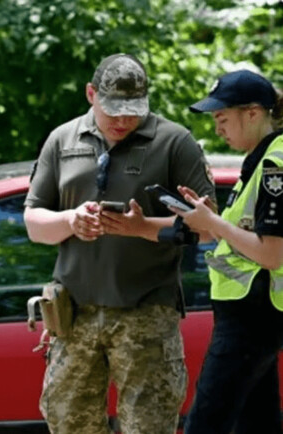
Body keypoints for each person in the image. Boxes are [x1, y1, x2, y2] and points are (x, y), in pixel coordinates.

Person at [23, 53, 216, 434]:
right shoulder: (62, 140)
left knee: (148, 426)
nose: (123, 120)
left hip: (147, 313)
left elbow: (210, 229)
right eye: (113, 110)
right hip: (74, 314)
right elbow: (34, 224)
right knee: (69, 424)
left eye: (133, 111)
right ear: (91, 94)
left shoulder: (175, 142)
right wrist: (71, 220)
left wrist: (141, 228)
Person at [177, 70, 283, 434]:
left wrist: (214, 222)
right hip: (249, 314)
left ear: (253, 113)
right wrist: (209, 221)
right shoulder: (258, 160)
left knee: (206, 424)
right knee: (257, 425)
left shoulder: (275, 166)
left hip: (253, 316)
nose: (218, 129)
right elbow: (241, 237)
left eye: (222, 118)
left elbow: (272, 254)